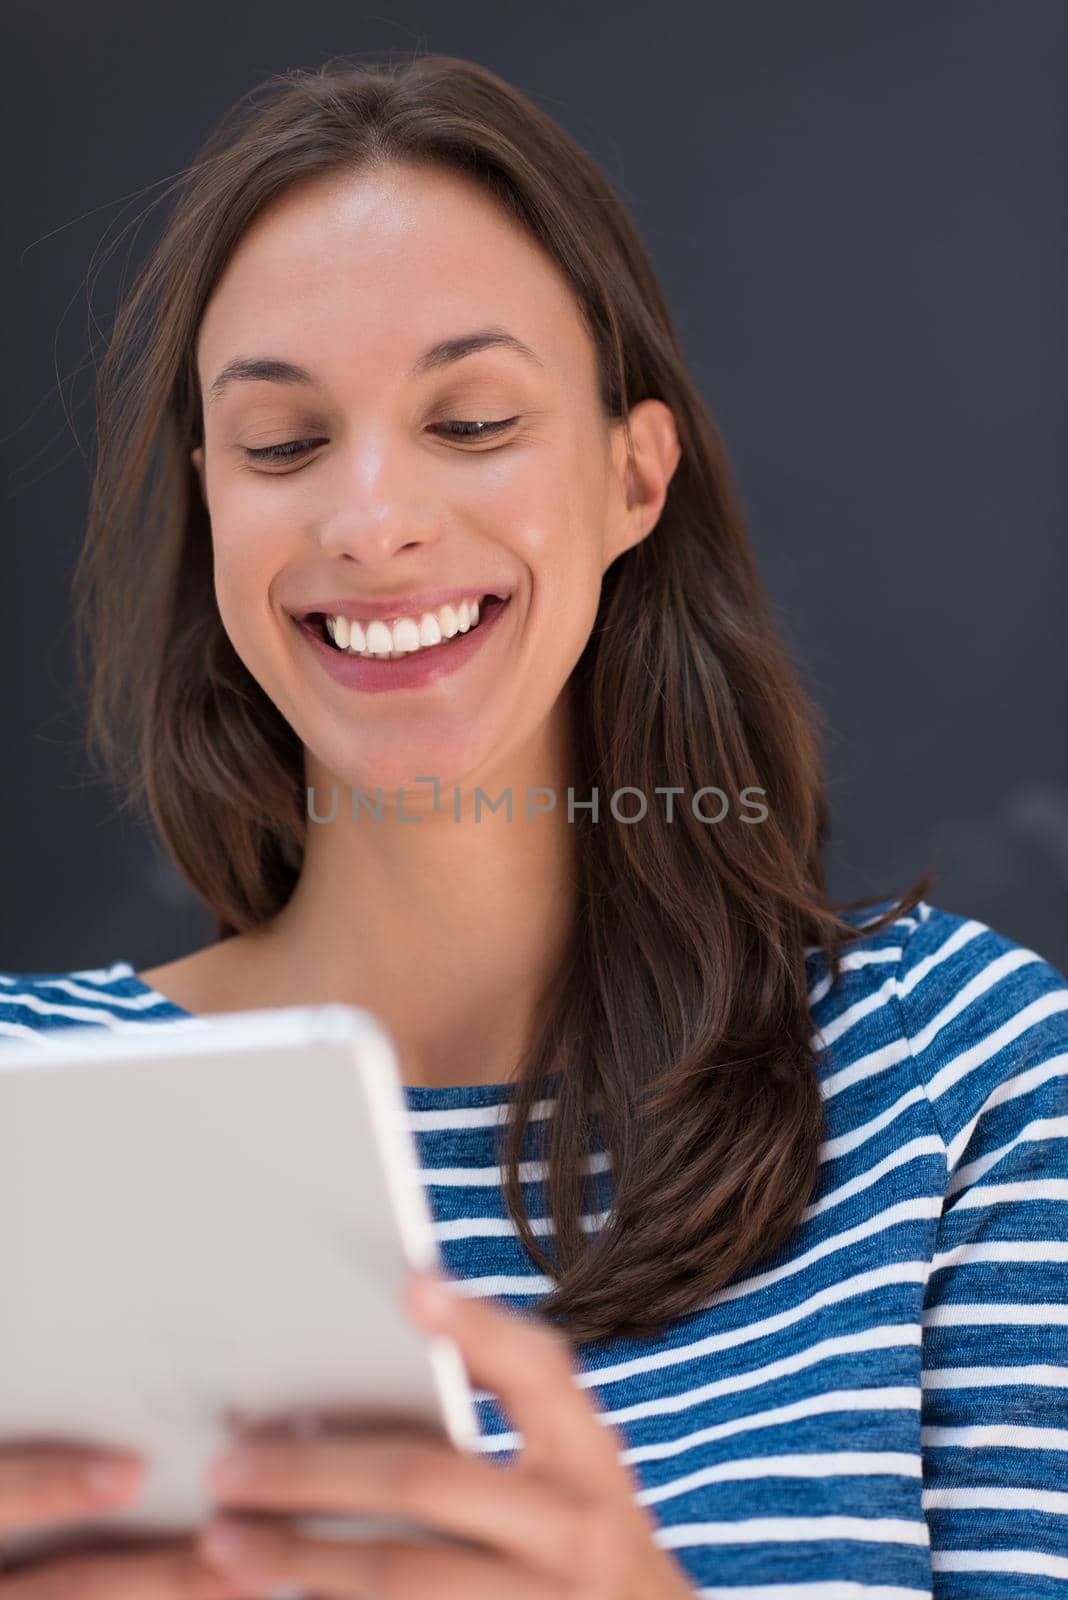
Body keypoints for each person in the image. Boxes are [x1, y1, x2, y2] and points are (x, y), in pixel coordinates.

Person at [1, 52, 1065, 1600]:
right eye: (284, 445)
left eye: (475, 419)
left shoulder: (963, 1082)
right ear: (213, 508)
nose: (371, 520)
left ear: (634, 477)